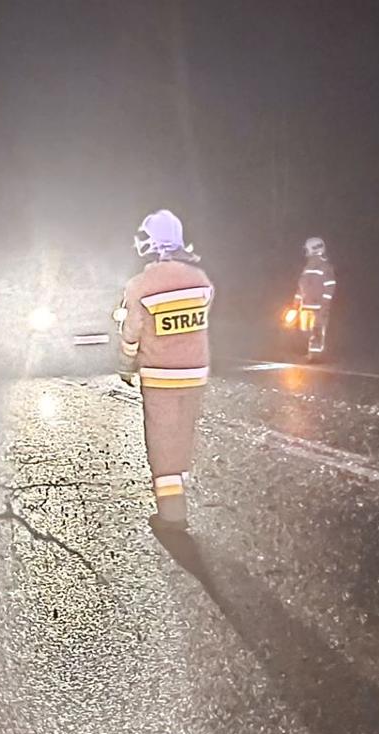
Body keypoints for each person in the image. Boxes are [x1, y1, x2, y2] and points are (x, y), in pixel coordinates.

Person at [119, 209, 214, 535]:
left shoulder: (140, 285)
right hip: (196, 373)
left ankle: (172, 513)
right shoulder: (201, 280)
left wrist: (126, 363)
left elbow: (132, 332)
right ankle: (180, 487)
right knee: (184, 434)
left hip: (161, 375)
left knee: (162, 439)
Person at [295, 236, 336, 354]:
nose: (305, 252)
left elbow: (330, 286)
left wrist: (325, 304)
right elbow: (301, 286)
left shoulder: (325, 267)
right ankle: (307, 350)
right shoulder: (307, 267)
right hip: (305, 306)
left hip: (318, 307)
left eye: (307, 249)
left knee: (317, 330)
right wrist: (296, 302)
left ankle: (315, 355)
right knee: (304, 330)